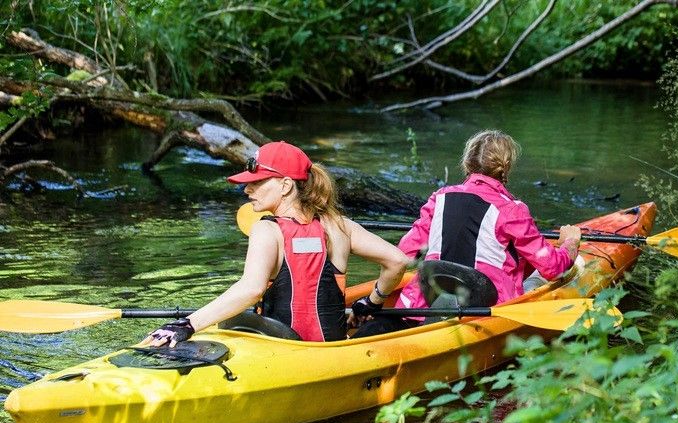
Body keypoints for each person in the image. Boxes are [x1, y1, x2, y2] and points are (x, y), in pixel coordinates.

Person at [144, 141, 408, 346]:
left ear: (285, 185)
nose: (247, 190)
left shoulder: (266, 230)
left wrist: (186, 325)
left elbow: (251, 289)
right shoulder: (340, 225)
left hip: (280, 350)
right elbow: (397, 261)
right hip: (333, 350)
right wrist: (372, 302)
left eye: (256, 183)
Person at [352, 130, 581, 337]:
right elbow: (553, 267)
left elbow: (404, 253)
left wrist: (375, 299)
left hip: (424, 302)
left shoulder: (439, 198)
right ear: (506, 167)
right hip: (485, 311)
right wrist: (570, 242)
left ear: (467, 164)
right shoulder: (513, 210)